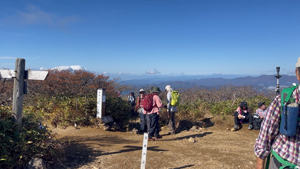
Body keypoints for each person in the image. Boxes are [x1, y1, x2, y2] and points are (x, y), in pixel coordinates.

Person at [254, 57, 300, 169]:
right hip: (283, 164)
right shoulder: (284, 99)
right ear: (297, 74)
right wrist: (260, 164)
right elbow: (266, 135)